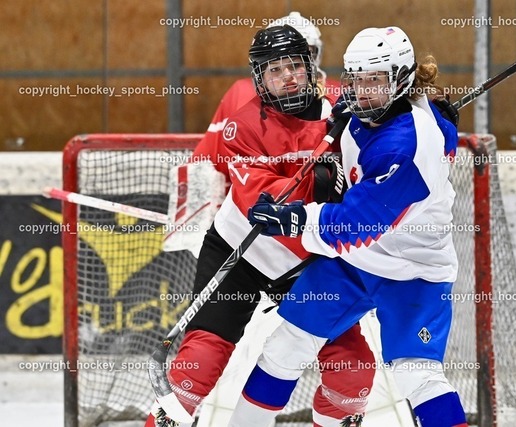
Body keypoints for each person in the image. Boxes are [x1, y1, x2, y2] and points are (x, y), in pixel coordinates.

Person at [229, 26, 468, 427]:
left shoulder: (406, 147)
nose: (362, 90)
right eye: (356, 79)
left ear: (401, 79)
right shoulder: (379, 107)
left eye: (375, 80)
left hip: (413, 269)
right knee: (286, 347)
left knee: (416, 374)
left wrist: (294, 218)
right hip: (355, 263)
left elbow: (355, 226)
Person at [145, 25, 375, 427]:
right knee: (197, 367)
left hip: (309, 262)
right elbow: (264, 203)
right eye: (275, 70)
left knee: (352, 375)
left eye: (294, 66)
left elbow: (395, 119)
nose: (287, 77)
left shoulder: (342, 112)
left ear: (310, 67)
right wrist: (319, 182)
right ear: (260, 78)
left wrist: (429, 114)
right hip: (242, 251)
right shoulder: (243, 125)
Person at [192, 11, 340, 185]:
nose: (288, 75)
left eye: (296, 62)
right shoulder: (241, 97)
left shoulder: (339, 98)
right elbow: (204, 165)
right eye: (275, 67)